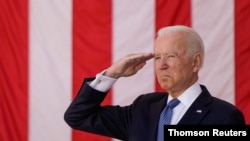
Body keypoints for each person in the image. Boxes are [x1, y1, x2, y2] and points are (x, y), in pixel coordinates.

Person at [64, 25, 245, 141]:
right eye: (157, 57)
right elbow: (77, 116)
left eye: (171, 56)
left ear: (195, 62)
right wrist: (112, 73)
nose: (162, 65)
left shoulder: (224, 116)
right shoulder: (144, 107)